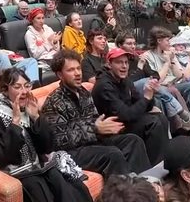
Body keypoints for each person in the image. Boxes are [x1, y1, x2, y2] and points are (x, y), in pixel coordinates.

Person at [0, 68, 93, 202]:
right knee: (36, 186)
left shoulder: (27, 108)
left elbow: (48, 147)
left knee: (68, 183)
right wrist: (15, 123)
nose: (25, 91)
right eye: (17, 87)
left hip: (37, 168)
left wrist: (36, 118)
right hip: (15, 174)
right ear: (5, 90)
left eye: (27, 86)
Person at [42, 50, 152, 178]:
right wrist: (95, 128)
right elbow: (59, 140)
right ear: (60, 75)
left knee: (133, 141)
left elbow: (94, 121)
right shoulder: (54, 102)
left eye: (78, 68)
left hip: (91, 142)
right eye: (71, 70)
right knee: (112, 154)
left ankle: (142, 184)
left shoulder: (83, 92)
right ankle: (123, 194)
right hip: (70, 152)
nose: (77, 73)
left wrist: (105, 129)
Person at [118, 34, 190, 132]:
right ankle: (185, 119)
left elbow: (155, 75)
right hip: (134, 89)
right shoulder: (122, 60)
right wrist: (140, 67)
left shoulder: (138, 58)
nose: (133, 46)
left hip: (153, 87)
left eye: (134, 43)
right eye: (129, 44)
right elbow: (128, 81)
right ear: (120, 45)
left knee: (163, 95)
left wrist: (171, 60)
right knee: (177, 88)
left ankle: (183, 128)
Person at [92, 48, 169, 165]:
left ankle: (164, 162)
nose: (124, 66)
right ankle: (156, 167)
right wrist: (146, 98)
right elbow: (125, 115)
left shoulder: (125, 80)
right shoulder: (104, 85)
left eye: (126, 62)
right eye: (119, 62)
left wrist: (149, 93)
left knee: (160, 117)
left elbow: (144, 106)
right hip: (112, 129)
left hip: (126, 121)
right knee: (152, 122)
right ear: (109, 64)